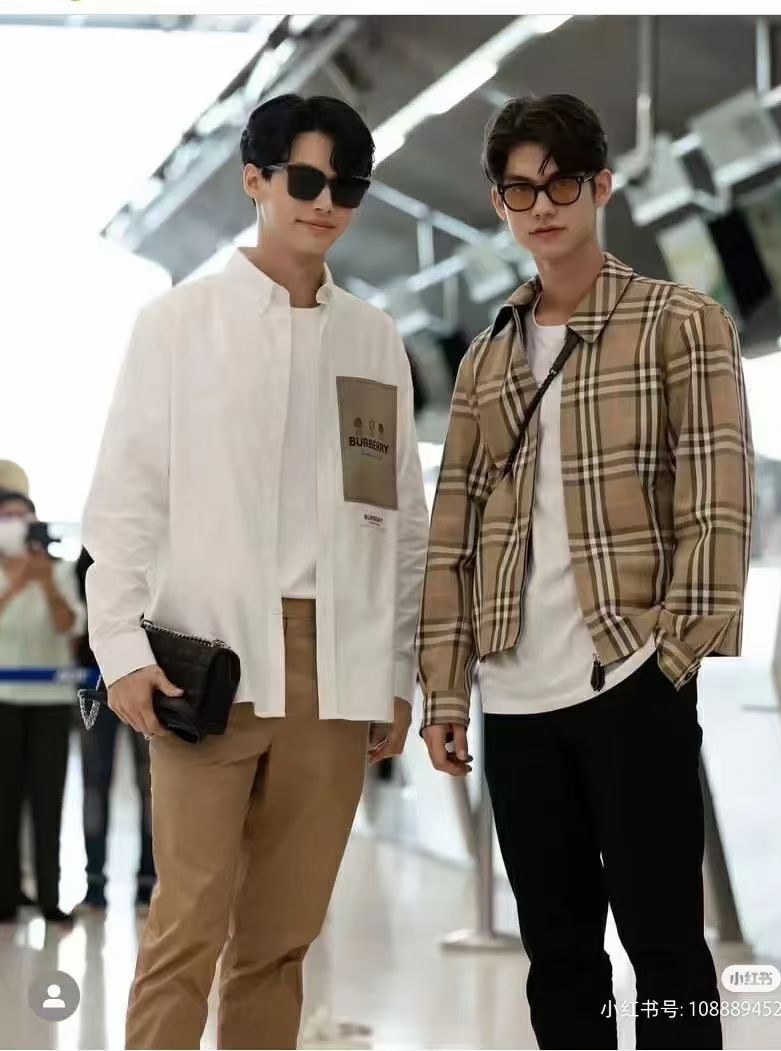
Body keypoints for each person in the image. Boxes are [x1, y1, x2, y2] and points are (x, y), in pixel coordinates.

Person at [81, 94, 428, 1050]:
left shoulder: (373, 338)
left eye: (347, 188)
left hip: (333, 669)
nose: (325, 203)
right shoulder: (178, 325)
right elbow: (126, 500)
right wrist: (119, 649)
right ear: (255, 180)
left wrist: (396, 674)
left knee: (280, 941)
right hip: (209, 662)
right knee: (184, 930)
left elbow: (401, 522)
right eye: (306, 180)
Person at [417, 95, 754, 1051]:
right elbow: (454, 535)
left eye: (561, 183)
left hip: (630, 675)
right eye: (520, 190)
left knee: (666, 945)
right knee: (559, 956)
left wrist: (670, 658)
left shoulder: (680, 322)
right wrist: (447, 688)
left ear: (601, 187)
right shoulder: (486, 358)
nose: (542, 205)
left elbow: (720, 502)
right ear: (499, 203)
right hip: (516, 694)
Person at [0, 461, 86, 926]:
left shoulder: (60, 571)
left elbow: (70, 627)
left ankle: (50, 894)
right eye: (7, 517)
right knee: (5, 799)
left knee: (48, 798)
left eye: (24, 517)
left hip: (51, 701)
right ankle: (6, 894)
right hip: (3, 700)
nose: (16, 525)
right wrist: (15, 584)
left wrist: (46, 581)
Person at [74, 547, 156, 913]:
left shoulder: (152, 543)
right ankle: (94, 881)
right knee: (95, 782)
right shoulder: (93, 550)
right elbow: (83, 609)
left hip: (147, 677)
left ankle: (148, 880)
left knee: (151, 784)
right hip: (96, 679)